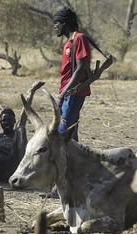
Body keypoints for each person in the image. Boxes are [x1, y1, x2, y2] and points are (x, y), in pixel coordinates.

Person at [54, 7, 92, 141]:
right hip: (68, 92)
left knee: (63, 133)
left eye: (56, 23)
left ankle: (68, 161)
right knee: (71, 132)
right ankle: (77, 161)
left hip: (74, 92)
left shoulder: (79, 38)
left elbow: (81, 67)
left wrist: (63, 93)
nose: (54, 27)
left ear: (64, 23)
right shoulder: (69, 42)